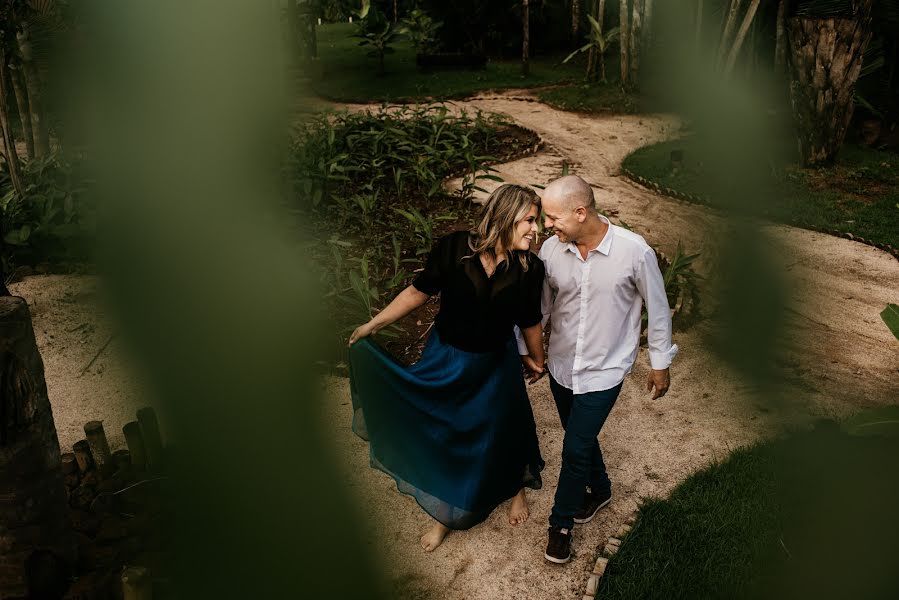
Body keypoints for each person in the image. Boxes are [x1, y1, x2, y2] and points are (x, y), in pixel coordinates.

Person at [348, 184, 547, 552]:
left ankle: (516, 487)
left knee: (505, 425)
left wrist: (537, 358)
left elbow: (530, 320)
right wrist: (373, 325)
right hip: (448, 357)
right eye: (530, 221)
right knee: (446, 429)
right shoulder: (455, 248)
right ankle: (443, 514)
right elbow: (417, 292)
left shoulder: (530, 268)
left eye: (539, 221)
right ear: (504, 217)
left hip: (495, 363)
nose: (537, 230)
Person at [520, 175, 678, 564]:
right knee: (580, 437)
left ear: (581, 211)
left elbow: (657, 310)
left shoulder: (633, 251)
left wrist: (659, 364)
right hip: (561, 366)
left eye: (553, 217)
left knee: (574, 448)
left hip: (605, 372)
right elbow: (541, 308)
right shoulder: (552, 252)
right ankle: (601, 488)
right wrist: (533, 353)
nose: (546, 226)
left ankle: (560, 527)